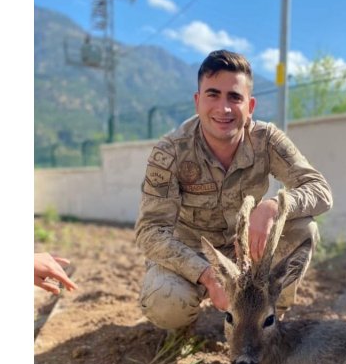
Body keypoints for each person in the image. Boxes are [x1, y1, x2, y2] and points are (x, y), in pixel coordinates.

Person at [134, 49, 333, 332]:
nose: (224, 108)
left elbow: (320, 190)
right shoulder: (170, 152)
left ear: (250, 105)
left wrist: (275, 206)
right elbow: (150, 231)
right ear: (197, 101)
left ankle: (268, 319)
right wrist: (207, 275)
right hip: (191, 252)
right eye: (213, 95)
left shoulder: (267, 140)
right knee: (166, 304)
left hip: (248, 253)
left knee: (303, 228)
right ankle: (187, 330)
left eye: (235, 97)